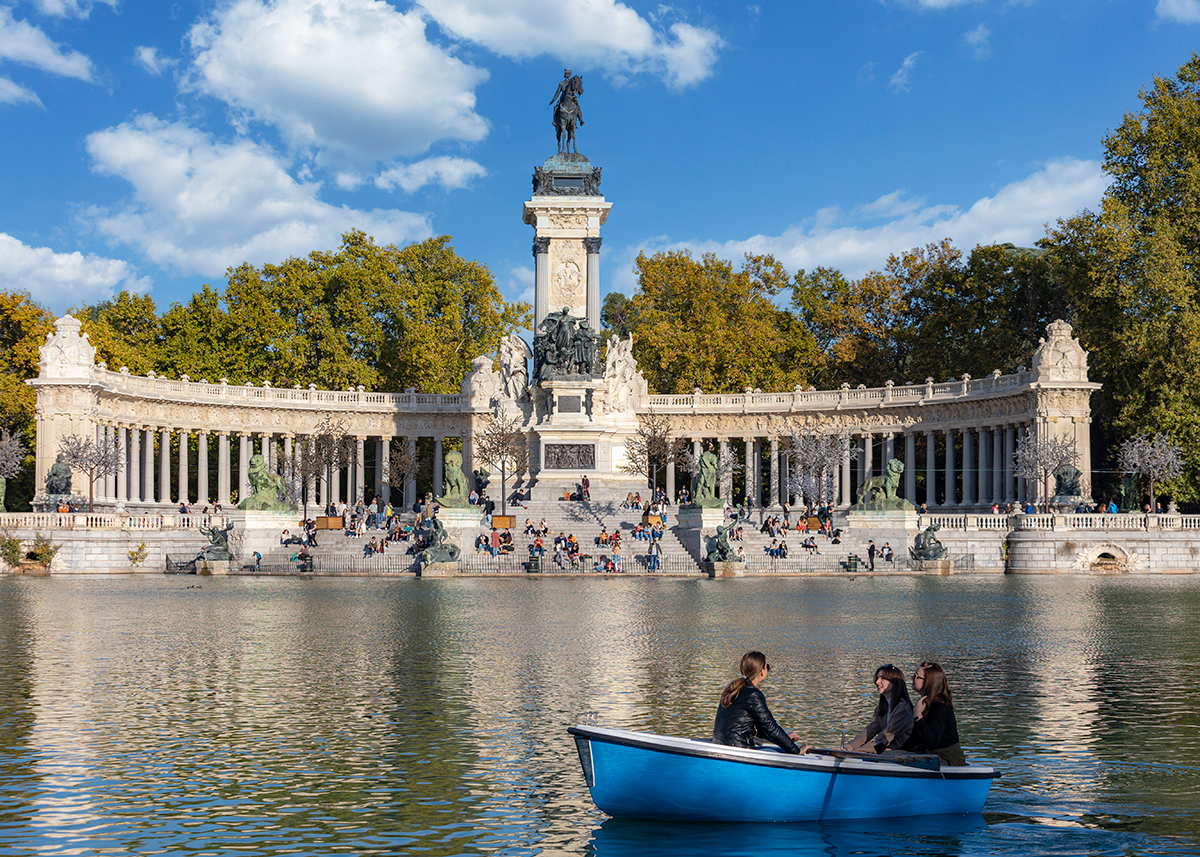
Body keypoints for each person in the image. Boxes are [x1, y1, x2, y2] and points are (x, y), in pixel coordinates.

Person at [713, 651, 806, 754]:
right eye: (768, 667)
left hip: (722, 746)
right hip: (738, 750)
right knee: (779, 753)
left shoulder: (732, 690)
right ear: (761, 671)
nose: (768, 670)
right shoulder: (753, 695)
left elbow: (762, 729)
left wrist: (785, 738)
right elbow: (769, 727)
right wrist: (797, 751)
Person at [903, 661, 967, 766]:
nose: (912, 677)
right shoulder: (925, 704)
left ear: (928, 682)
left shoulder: (939, 707)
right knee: (889, 756)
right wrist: (893, 750)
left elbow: (931, 742)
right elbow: (915, 739)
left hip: (947, 758)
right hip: (929, 754)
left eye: (916, 676)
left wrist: (918, 717)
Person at [844, 664, 915, 754]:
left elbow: (885, 737)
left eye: (883, 678)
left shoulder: (903, 708)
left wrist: (855, 753)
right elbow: (868, 731)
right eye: (877, 678)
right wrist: (847, 748)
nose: (877, 682)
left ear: (895, 682)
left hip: (902, 755)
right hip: (884, 752)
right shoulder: (881, 708)